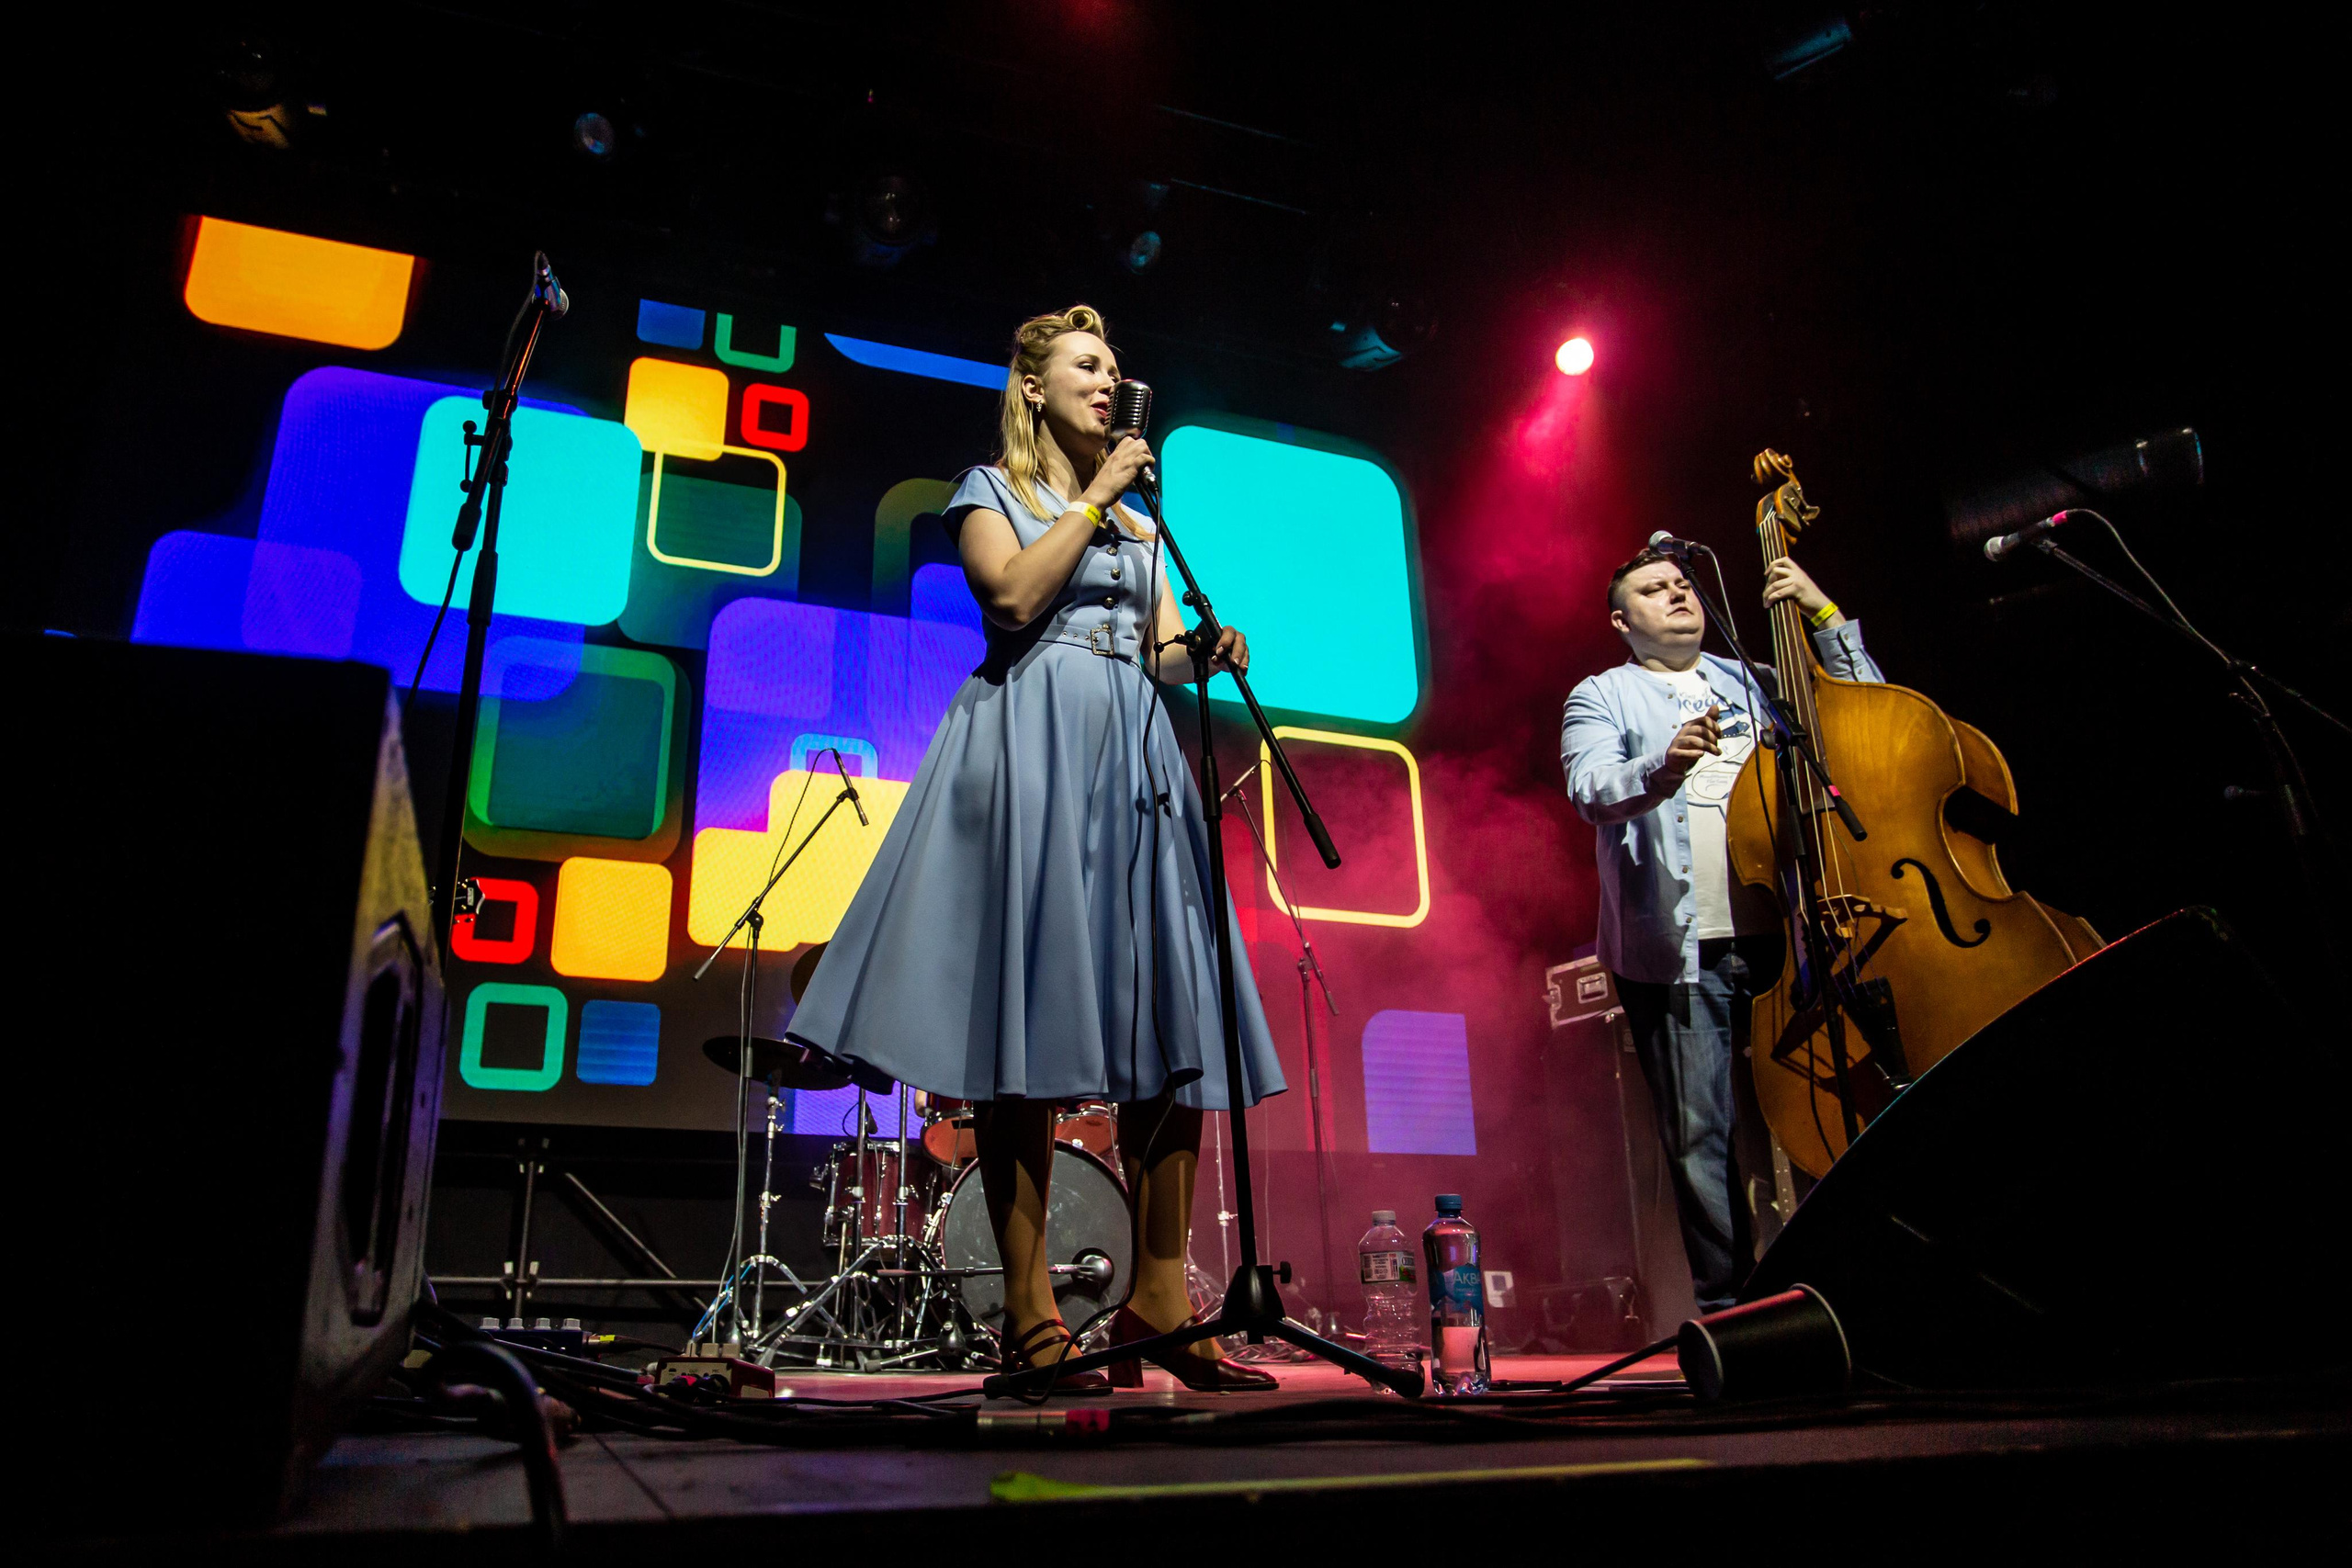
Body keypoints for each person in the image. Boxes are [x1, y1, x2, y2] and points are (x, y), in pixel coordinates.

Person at [786, 305, 1283, 1394]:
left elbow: (1154, 655)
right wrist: (1094, 502)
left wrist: (1203, 650)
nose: (1109, 383)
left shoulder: (1145, 526)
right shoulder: (991, 490)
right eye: (1086, 367)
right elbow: (1011, 601)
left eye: (1116, 368)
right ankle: (1031, 1313)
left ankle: (1159, 1299)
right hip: (1033, 753)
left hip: (1136, 762)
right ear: (1032, 388)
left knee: (1173, 1029)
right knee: (1032, 1031)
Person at [1559, 545, 1883, 1313]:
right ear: (1621, 618)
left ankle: (1837, 1294)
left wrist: (1823, 612)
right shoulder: (1602, 694)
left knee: (1821, 1112)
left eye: (1683, 583)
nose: (1676, 593)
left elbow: (1869, 715)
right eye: (1653, 588)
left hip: (1788, 936)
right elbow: (1589, 785)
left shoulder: (1754, 681)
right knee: (1702, 1137)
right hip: (1679, 948)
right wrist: (1661, 767)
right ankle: (1727, 1311)